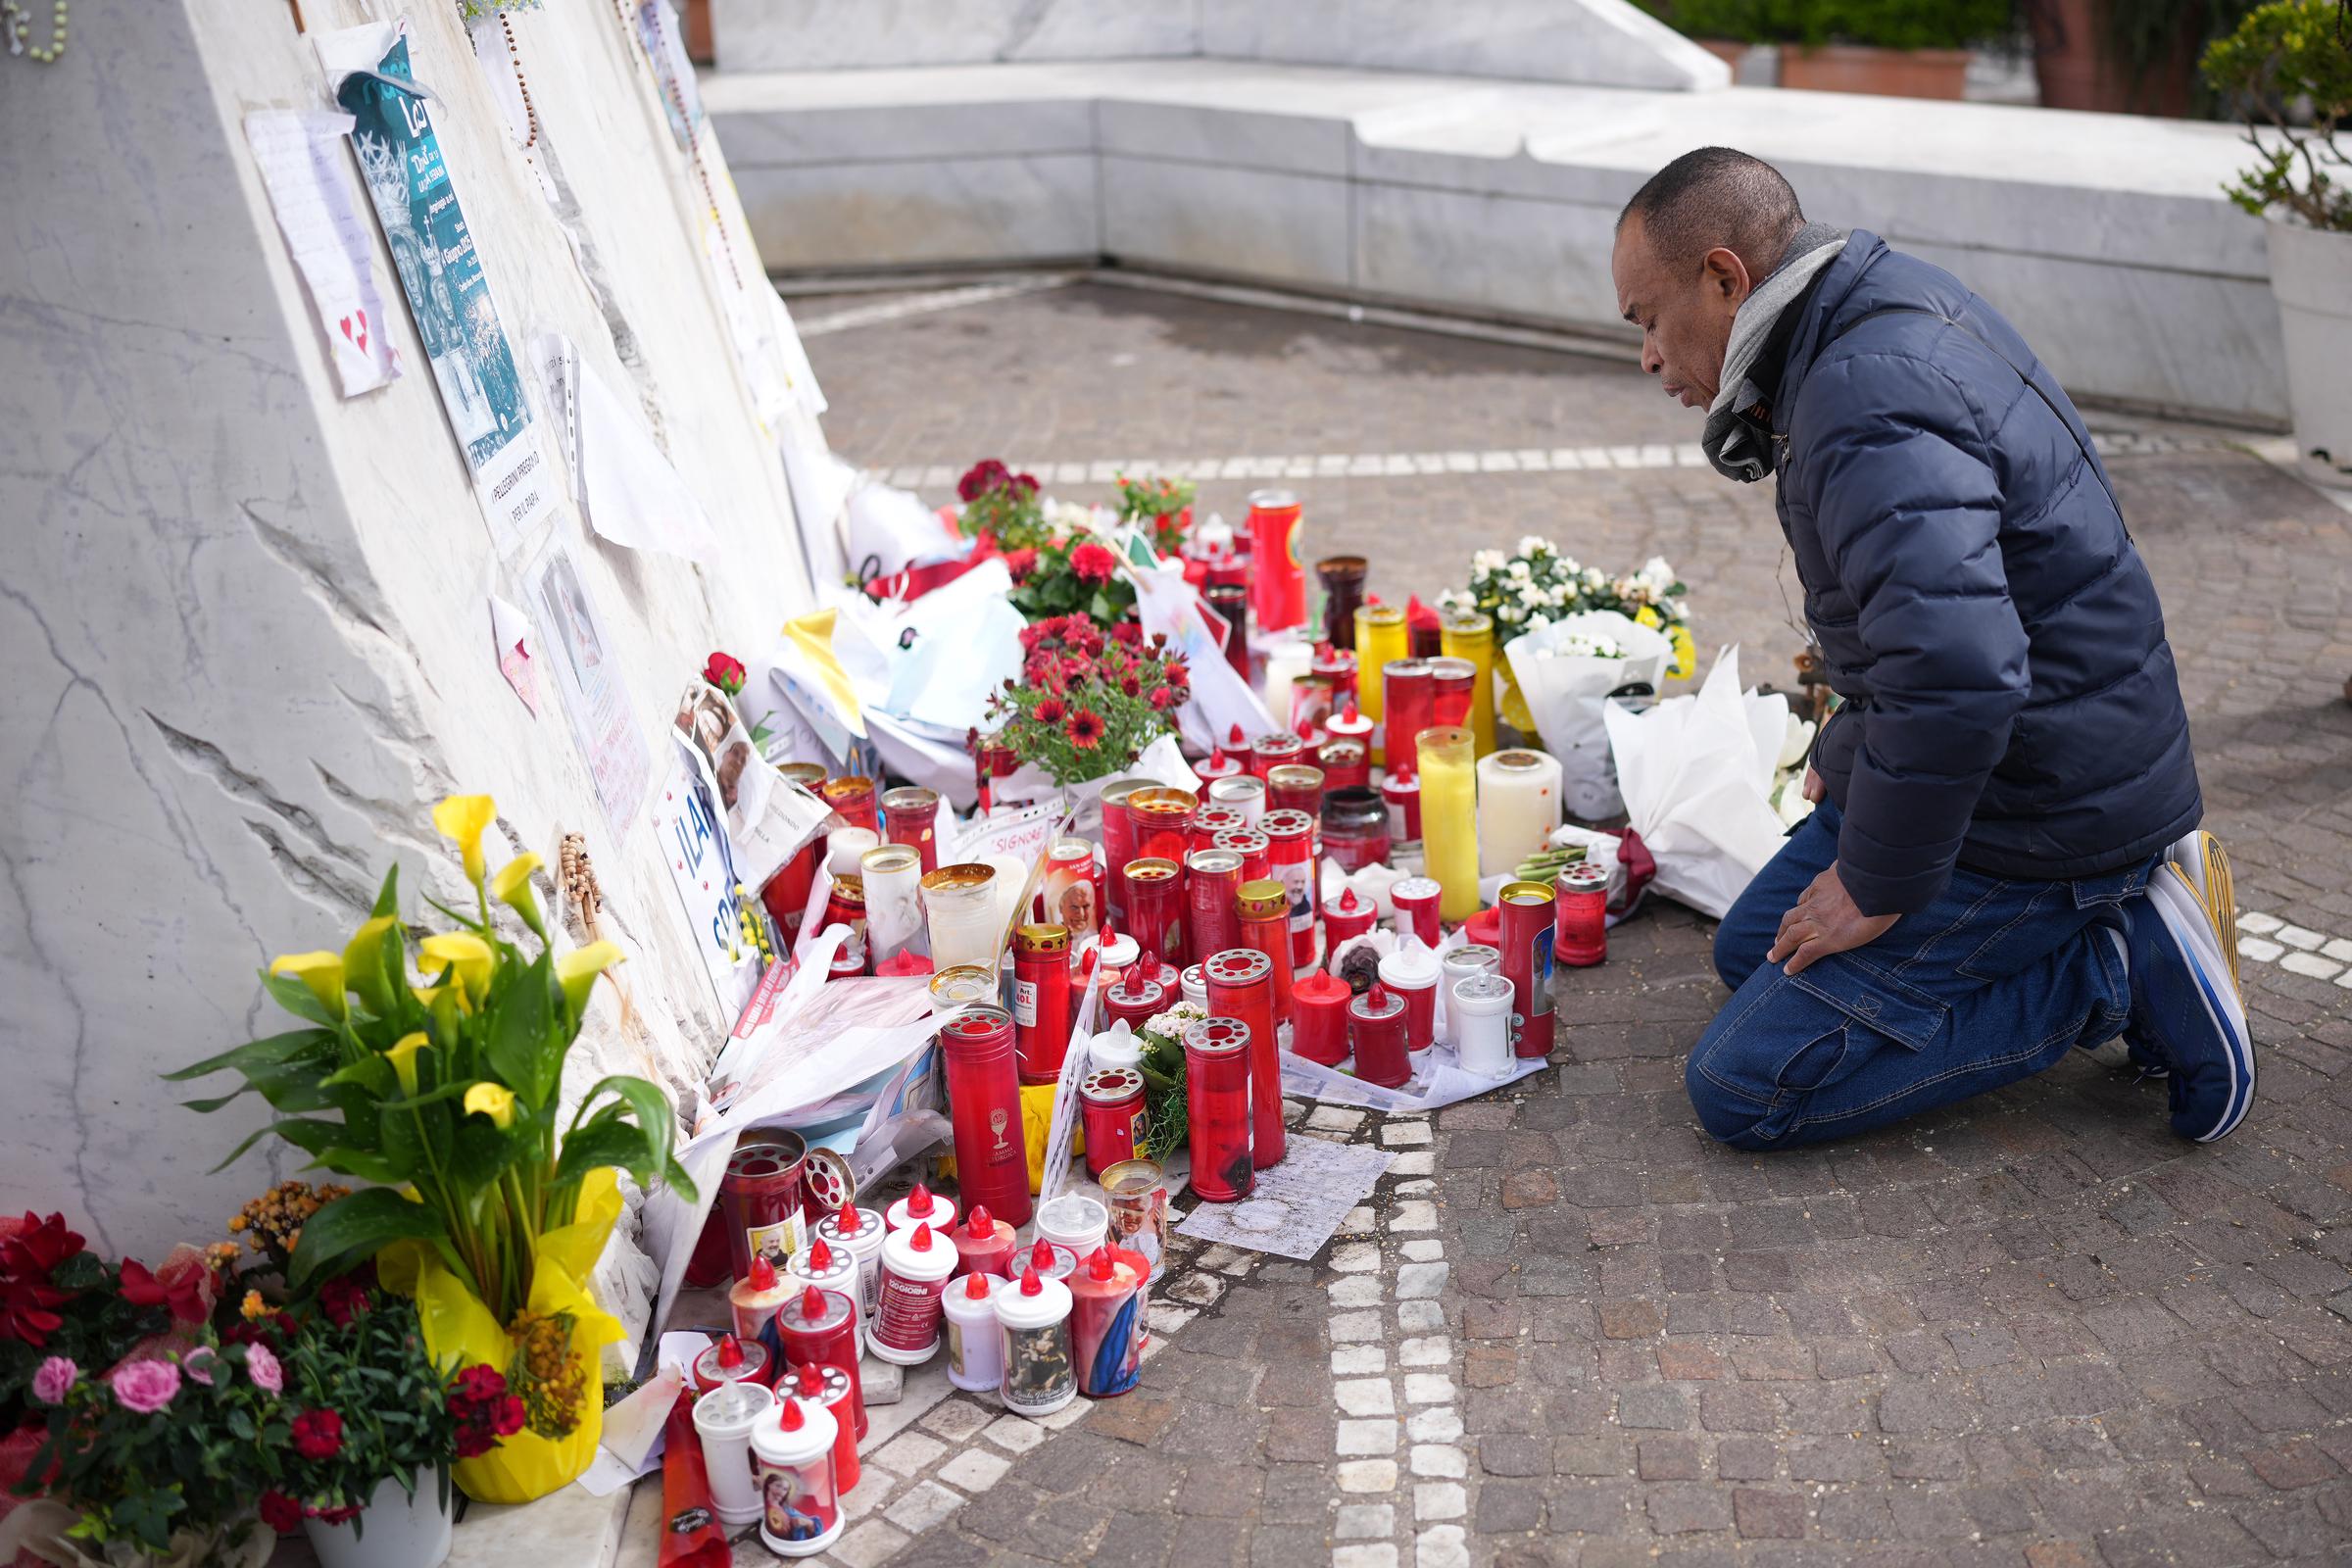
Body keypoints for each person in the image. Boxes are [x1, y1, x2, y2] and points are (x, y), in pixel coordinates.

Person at [1609, 148, 2251, 1150]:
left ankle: (2116, 961)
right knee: (1752, 949)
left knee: (1742, 1086)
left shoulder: (1861, 388)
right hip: (2021, 751)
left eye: (1648, 319)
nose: (1648, 355)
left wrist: (1875, 884)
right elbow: (1924, 627)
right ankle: (2096, 919)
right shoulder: (1857, 318)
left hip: (2043, 806)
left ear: (1726, 278)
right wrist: (1847, 752)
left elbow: (1958, 668)